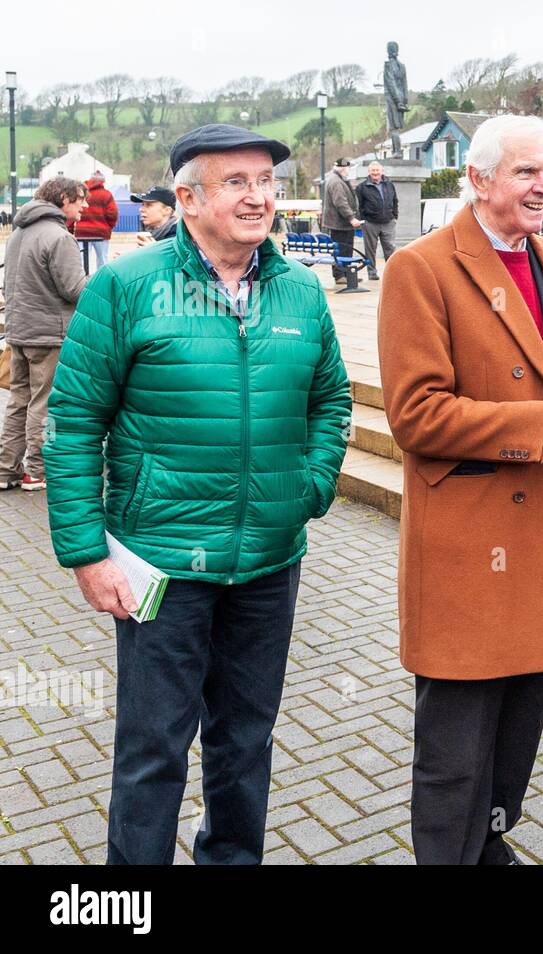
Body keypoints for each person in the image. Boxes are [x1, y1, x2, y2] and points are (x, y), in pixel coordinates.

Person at [44, 123, 353, 865]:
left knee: (245, 741)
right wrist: (86, 552)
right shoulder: (127, 286)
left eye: (267, 182)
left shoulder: (300, 290)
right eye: (236, 182)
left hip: (270, 562)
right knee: (154, 748)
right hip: (162, 565)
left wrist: (307, 489)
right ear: (186, 198)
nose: (259, 197)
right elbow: (75, 422)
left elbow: (331, 400)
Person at [377, 114, 543, 865]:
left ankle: (489, 847)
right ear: (478, 180)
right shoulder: (421, 268)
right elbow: (415, 414)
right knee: (456, 748)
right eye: (528, 173)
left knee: (518, 729)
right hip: (470, 551)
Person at [0, 177, 89, 492]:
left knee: (18, 400)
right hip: (48, 334)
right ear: (63, 198)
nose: (84, 206)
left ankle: (5, 469)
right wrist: (105, 279)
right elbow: (75, 289)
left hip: (19, 330)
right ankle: (36, 471)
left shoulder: (19, 232)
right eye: (80, 200)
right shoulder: (58, 236)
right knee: (44, 402)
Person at [321, 157, 365, 291]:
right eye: (348, 168)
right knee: (341, 250)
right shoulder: (336, 181)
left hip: (341, 224)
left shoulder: (338, 179)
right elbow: (340, 202)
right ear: (342, 168)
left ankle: (347, 274)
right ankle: (340, 275)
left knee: (346, 249)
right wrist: (351, 218)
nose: (349, 171)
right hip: (339, 224)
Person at [354, 161, 398, 280]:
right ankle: (372, 272)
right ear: (369, 172)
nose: (375, 173)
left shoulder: (389, 184)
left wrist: (395, 216)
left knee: (390, 248)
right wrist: (363, 220)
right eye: (373, 171)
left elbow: (395, 200)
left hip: (388, 222)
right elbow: (358, 205)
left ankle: (393, 272)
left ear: (381, 171)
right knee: (370, 249)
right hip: (370, 223)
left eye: (377, 170)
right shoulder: (361, 187)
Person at [74, 170, 118, 269]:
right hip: (101, 231)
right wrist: (108, 227)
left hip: (82, 231)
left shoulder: (82, 194)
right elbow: (113, 214)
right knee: (102, 259)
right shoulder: (106, 194)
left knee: (81, 259)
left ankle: (81, 280)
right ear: (103, 182)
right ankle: (102, 281)